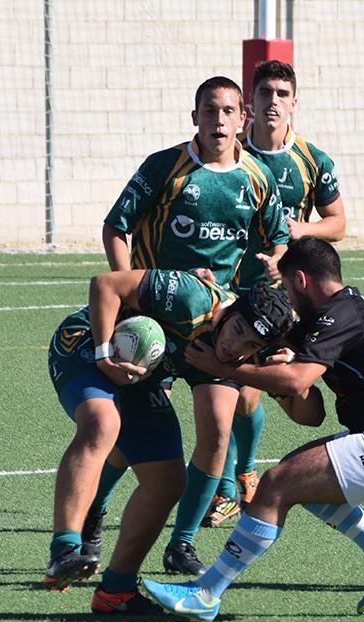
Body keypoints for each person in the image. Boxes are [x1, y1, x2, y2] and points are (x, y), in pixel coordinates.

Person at [142, 236, 364, 621]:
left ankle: (206, 593)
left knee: (276, 482)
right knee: (300, 479)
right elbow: (306, 406)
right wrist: (214, 293)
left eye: (287, 287)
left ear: (301, 280)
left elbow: (294, 381)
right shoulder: (337, 314)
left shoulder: (341, 314)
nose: (286, 297)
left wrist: (222, 369)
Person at [85, 76, 289, 576]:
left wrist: (275, 261)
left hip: (219, 325)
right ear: (194, 116)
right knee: (134, 437)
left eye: (227, 111)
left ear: (242, 118)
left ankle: (183, 541)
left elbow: (280, 239)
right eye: (209, 110)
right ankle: (92, 513)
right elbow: (117, 226)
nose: (218, 120)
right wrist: (128, 287)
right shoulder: (166, 167)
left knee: (218, 428)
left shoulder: (257, 177)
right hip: (157, 320)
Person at [44, 267, 293, 615]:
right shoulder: (192, 298)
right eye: (237, 330)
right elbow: (104, 283)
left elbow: (307, 412)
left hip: (142, 377)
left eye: (250, 344)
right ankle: (66, 550)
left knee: (168, 482)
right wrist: (104, 353)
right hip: (87, 343)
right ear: (231, 310)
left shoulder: (255, 352)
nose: (234, 346)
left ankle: (116, 592)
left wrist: (289, 368)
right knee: (103, 423)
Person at [206, 59, 347, 528]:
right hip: (231, 287)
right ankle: (231, 484)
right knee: (232, 388)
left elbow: (339, 224)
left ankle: (243, 473)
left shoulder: (312, 160)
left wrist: (300, 229)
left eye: (282, 94)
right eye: (264, 93)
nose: (273, 102)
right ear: (250, 104)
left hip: (285, 298)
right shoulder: (232, 156)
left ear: (294, 104)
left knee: (259, 386)